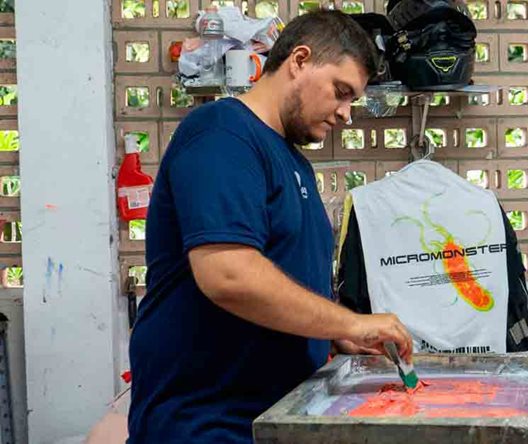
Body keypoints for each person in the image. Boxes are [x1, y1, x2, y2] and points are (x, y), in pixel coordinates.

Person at [127, 10, 413, 443]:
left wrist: (333, 337)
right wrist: (351, 324)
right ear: (299, 60)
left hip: (271, 420)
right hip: (208, 425)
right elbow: (228, 275)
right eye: (341, 92)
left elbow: (285, 285)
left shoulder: (292, 161)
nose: (346, 114)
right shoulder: (222, 133)